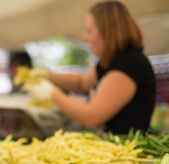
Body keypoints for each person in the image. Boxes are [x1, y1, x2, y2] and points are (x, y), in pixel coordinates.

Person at [24, 1, 155, 134]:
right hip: (105, 146)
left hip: (124, 150)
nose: (84, 38)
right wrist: (46, 75)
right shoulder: (110, 62)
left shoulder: (130, 64)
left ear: (107, 32)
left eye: (89, 31)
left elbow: (91, 116)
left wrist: (51, 94)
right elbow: (82, 82)